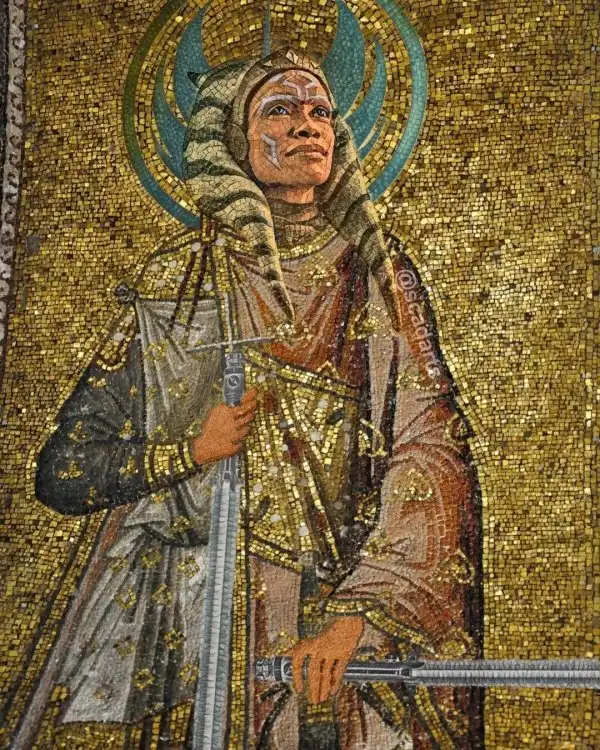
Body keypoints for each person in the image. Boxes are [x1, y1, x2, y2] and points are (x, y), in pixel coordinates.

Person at [34, 48, 482, 749]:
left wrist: (360, 613)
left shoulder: (376, 273)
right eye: (280, 110)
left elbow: (431, 448)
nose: (308, 125)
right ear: (231, 144)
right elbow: (64, 469)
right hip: (203, 629)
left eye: (320, 111)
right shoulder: (176, 285)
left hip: (340, 628)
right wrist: (190, 451)